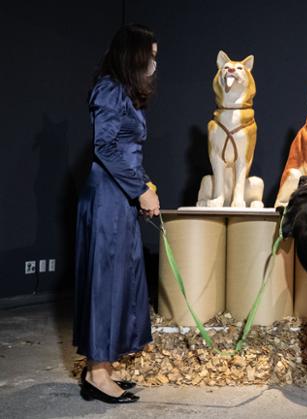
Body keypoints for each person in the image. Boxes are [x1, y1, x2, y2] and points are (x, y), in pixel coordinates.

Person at [73, 23, 160, 404]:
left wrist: (143, 185)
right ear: (134, 55)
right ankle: (96, 373)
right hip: (108, 199)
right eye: (151, 56)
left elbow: (126, 152)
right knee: (105, 284)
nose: (154, 63)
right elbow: (104, 148)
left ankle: (103, 367)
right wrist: (139, 189)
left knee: (119, 281)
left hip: (119, 198)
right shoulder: (109, 89)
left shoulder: (123, 92)